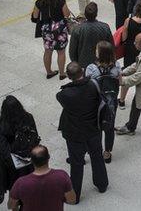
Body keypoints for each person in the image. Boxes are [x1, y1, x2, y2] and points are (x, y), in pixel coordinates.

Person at [55, 62, 109, 202]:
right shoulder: (93, 85)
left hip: (75, 133)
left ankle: (75, 196)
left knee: (76, 163)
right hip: (93, 129)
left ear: (68, 76)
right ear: (83, 71)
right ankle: (102, 185)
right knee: (97, 156)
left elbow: (59, 97)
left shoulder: (64, 94)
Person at [7, 146, 76, 211]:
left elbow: (11, 205)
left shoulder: (20, 183)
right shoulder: (62, 176)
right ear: (48, 158)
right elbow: (72, 200)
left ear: (31, 161)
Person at [85, 40, 122, 162]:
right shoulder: (116, 65)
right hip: (111, 101)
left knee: (97, 126)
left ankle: (96, 150)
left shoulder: (91, 68)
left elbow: (88, 85)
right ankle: (107, 152)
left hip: (96, 102)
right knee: (109, 126)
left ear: (99, 54)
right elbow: (120, 82)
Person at [0, 96, 39, 191]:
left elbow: (2, 150)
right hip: (29, 162)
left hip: (13, 168)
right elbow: (35, 138)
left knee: (15, 191)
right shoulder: (28, 118)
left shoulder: (3, 126)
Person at [31, 0, 72, 79]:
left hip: (46, 30)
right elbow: (67, 15)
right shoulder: (61, 2)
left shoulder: (39, 3)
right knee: (61, 51)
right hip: (60, 29)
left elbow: (34, 17)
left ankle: (49, 72)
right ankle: (62, 74)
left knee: (48, 51)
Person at [67, 2, 113, 70]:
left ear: (85, 15)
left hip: (84, 65)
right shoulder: (105, 27)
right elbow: (111, 47)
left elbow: (72, 51)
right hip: (102, 64)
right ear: (96, 14)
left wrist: (77, 64)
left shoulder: (77, 30)